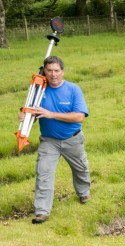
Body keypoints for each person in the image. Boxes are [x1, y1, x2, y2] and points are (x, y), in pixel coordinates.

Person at [19, 56, 91, 224]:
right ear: (44, 71)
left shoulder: (73, 90)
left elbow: (79, 117)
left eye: (56, 71)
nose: (53, 75)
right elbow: (31, 115)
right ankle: (42, 211)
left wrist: (51, 114)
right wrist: (24, 116)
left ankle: (83, 192)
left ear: (62, 71)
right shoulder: (38, 91)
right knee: (43, 172)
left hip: (72, 139)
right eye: (49, 70)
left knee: (80, 169)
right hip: (48, 141)